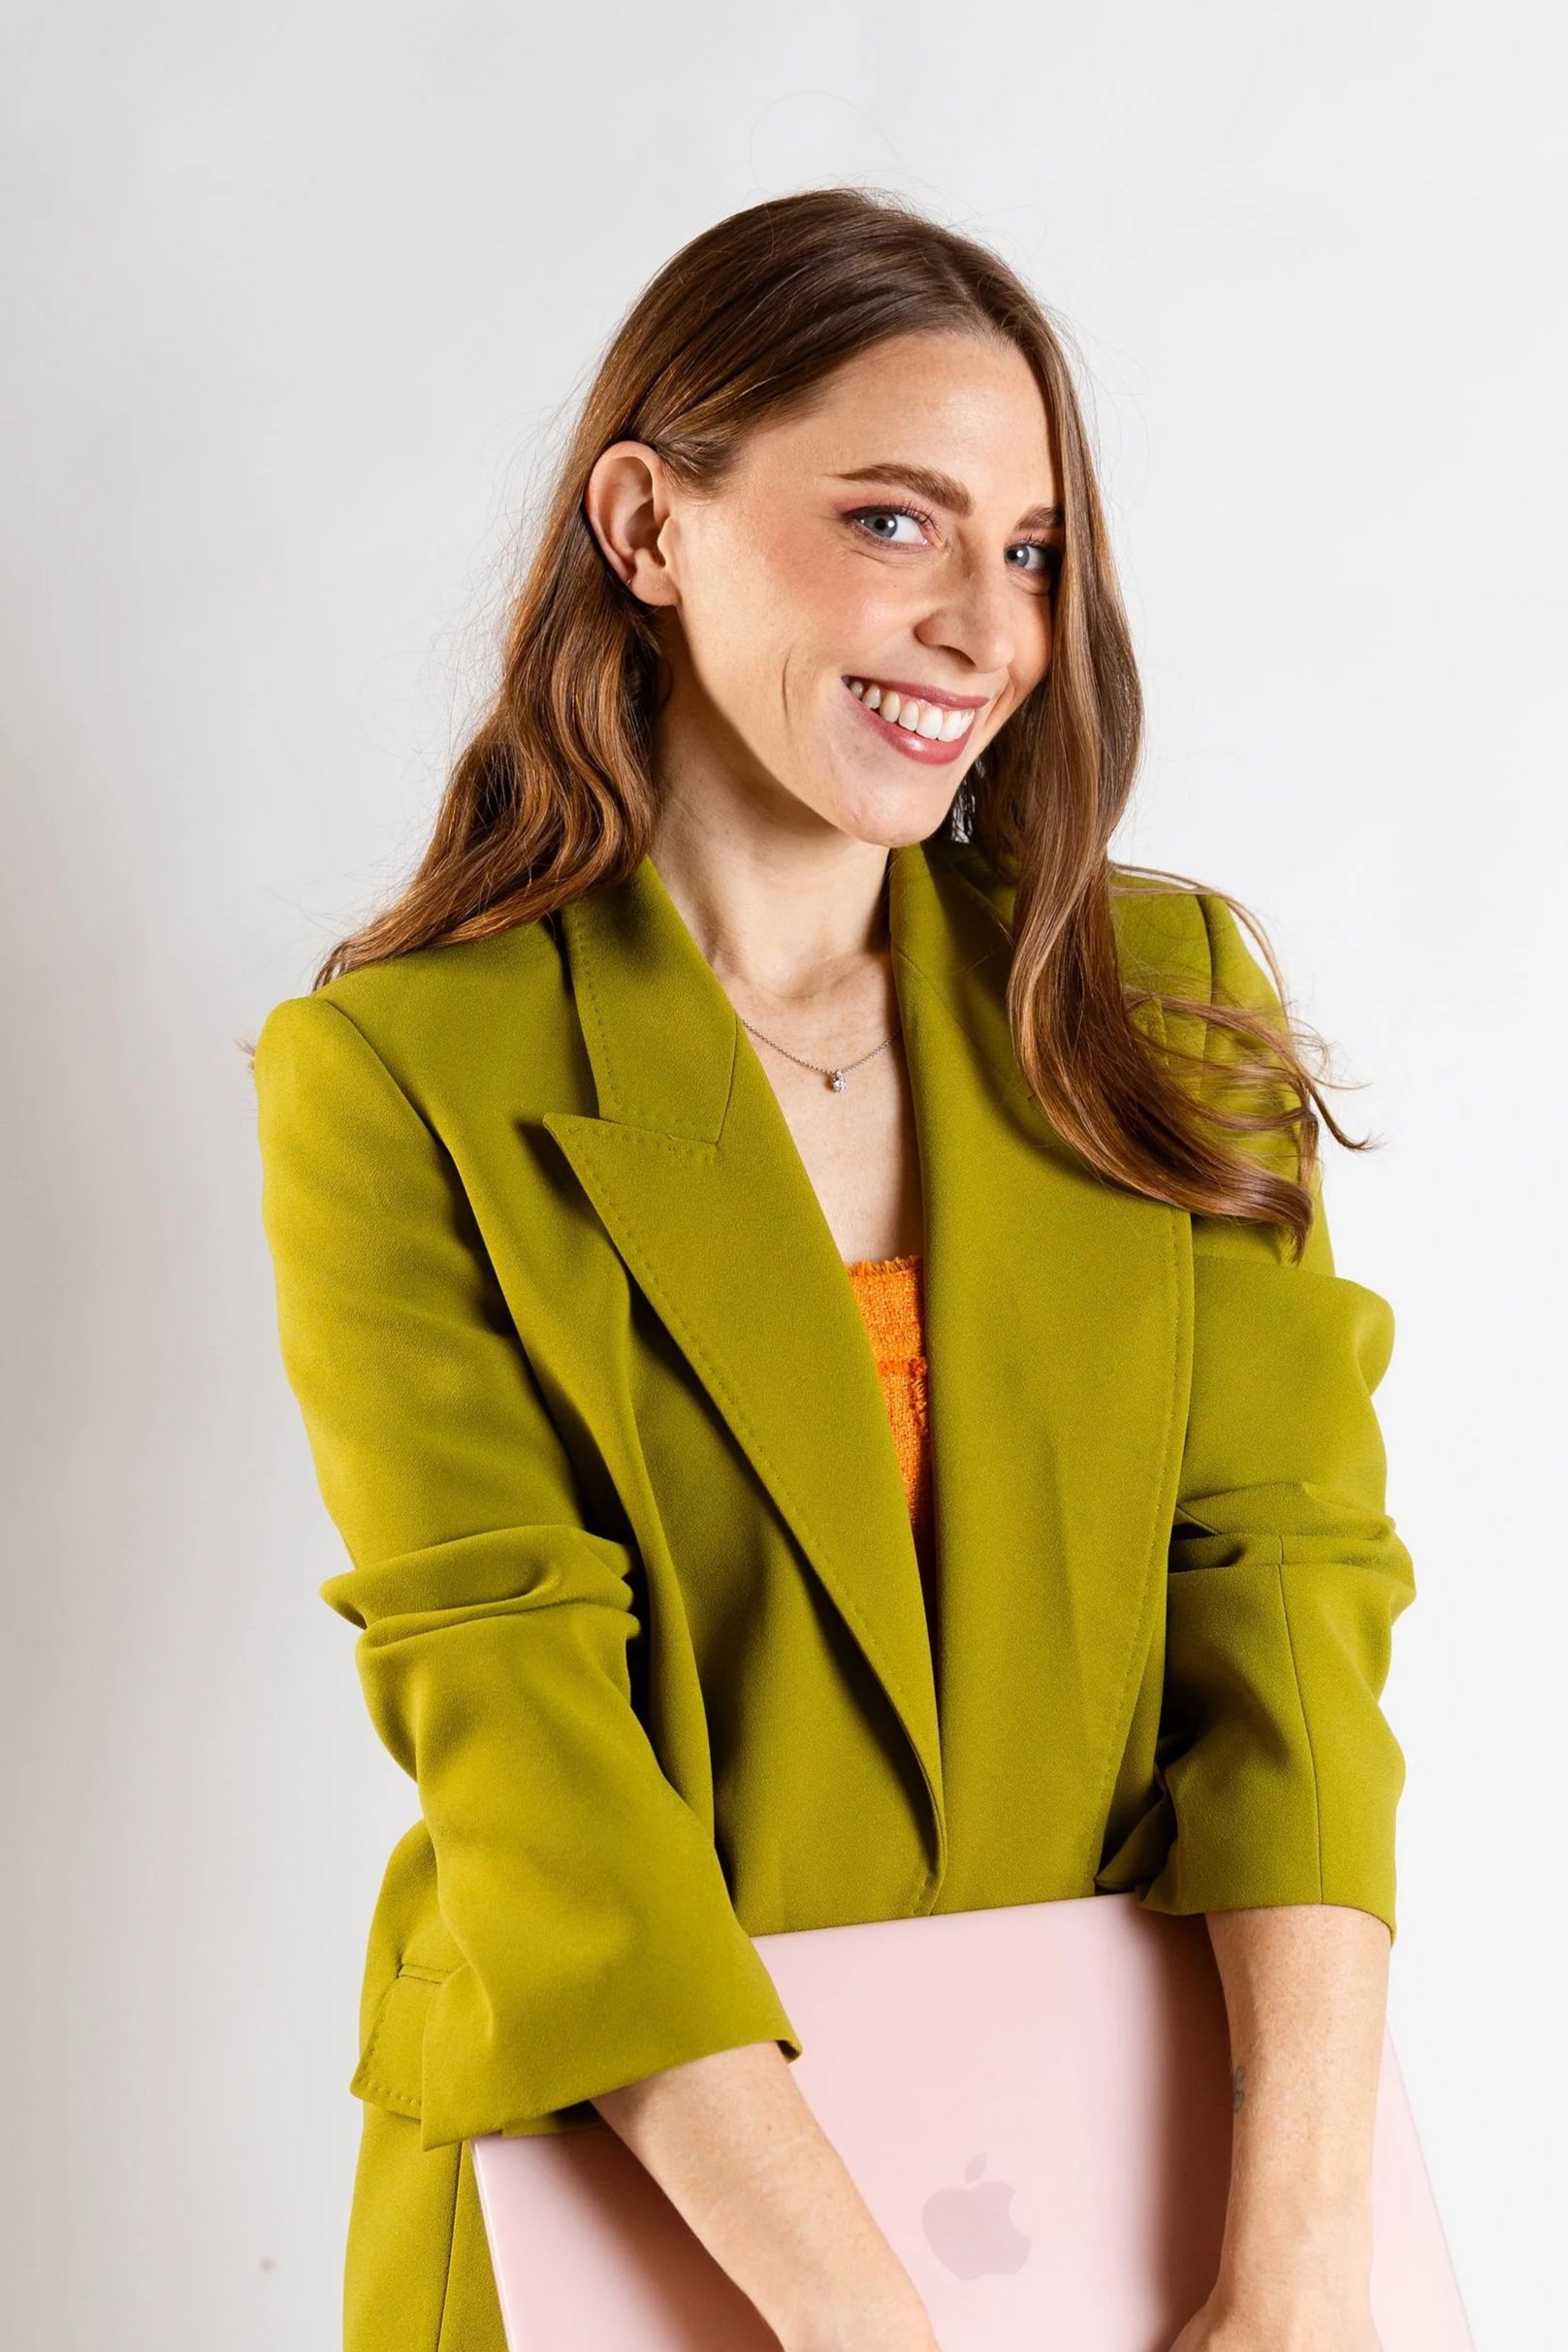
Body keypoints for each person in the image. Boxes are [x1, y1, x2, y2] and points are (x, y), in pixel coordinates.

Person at [249, 187, 1415, 2352]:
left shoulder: (1157, 1008)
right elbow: (526, 1750)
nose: (983, 627)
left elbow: (1288, 1629)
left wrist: (1300, 2267)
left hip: (1105, 2192)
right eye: (893, 522)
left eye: (1031, 551)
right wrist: (868, 2330)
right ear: (646, 523)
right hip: (626, 2205)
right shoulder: (399, 1074)